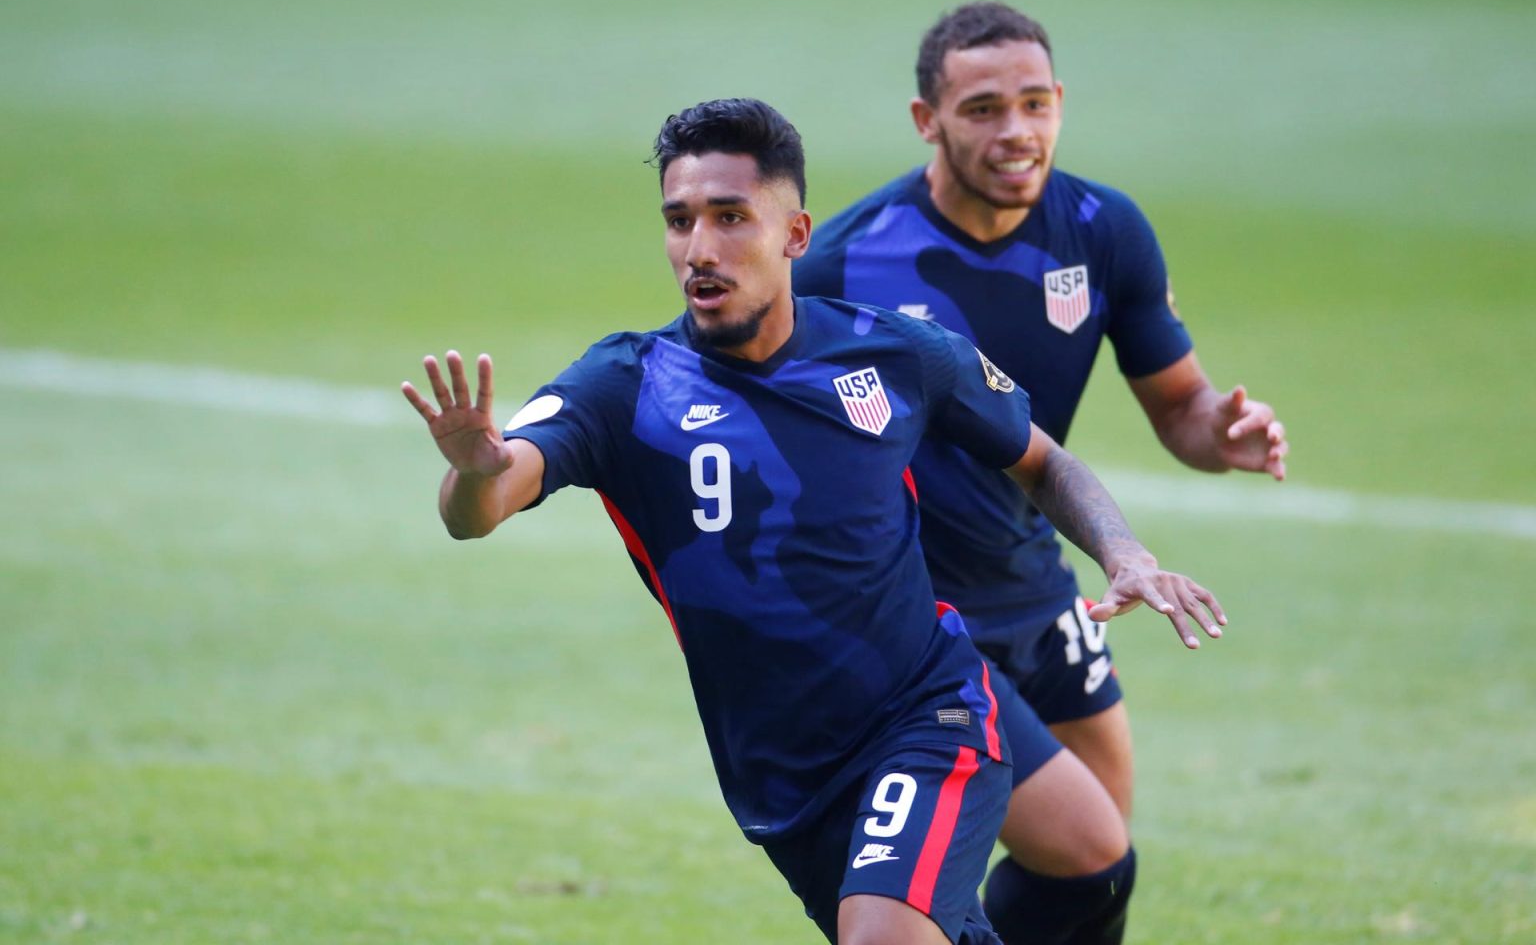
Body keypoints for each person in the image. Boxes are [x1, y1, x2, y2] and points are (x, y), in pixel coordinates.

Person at [402, 98, 1225, 945]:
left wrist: (1121, 550)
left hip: (928, 715)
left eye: (730, 218)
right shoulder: (625, 386)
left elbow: (1042, 458)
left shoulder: (898, 352)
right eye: (679, 221)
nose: (700, 249)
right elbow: (483, 509)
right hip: (785, 778)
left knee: (899, 931)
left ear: (795, 235)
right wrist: (475, 473)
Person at [794, 2, 1288, 943]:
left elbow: (1179, 405)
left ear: (1060, 101)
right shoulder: (845, 264)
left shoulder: (1103, 231)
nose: (1016, 131)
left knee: (1095, 868)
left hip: (1036, 583)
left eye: (1034, 103)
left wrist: (1218, 432)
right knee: (1077, 854)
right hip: (919, 619)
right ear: (925, 120)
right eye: (982, 108)